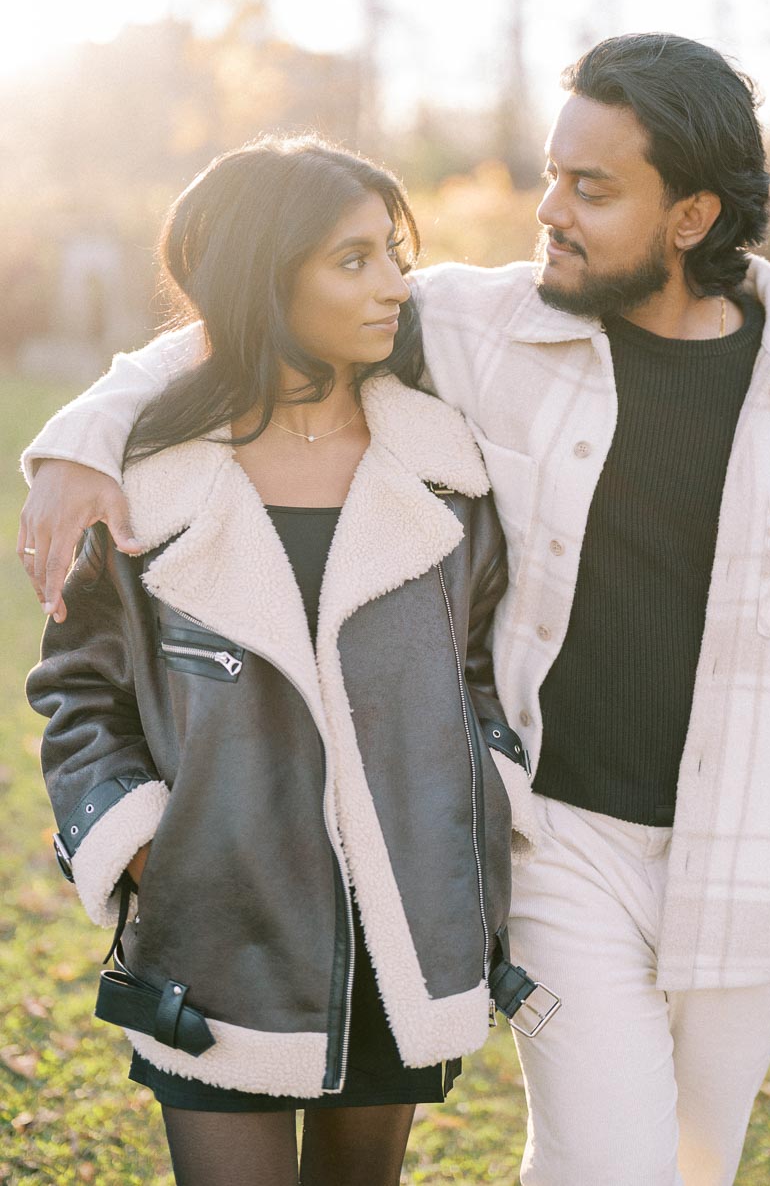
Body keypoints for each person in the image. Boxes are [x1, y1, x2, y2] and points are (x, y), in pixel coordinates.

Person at [21, 35, 770, 1186]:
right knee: (607, 1169)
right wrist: (81, 439)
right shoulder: (485, 329)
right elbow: (253, 302)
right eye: (551, 172)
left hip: (755, 864)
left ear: (689, 217)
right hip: (567, 843)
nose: (549, 210)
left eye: (591, 188)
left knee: (699, 1166)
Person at [23, 137, 541, 1186]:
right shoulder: (142, 489)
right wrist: (138, 844)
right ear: (265, 274)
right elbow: (79, 690)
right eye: (352, 261)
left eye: (391, 254)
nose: (396, 284)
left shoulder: (448, 470)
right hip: (216, 935)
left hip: (406, 921)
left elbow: (482, 665)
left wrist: (485, 793)